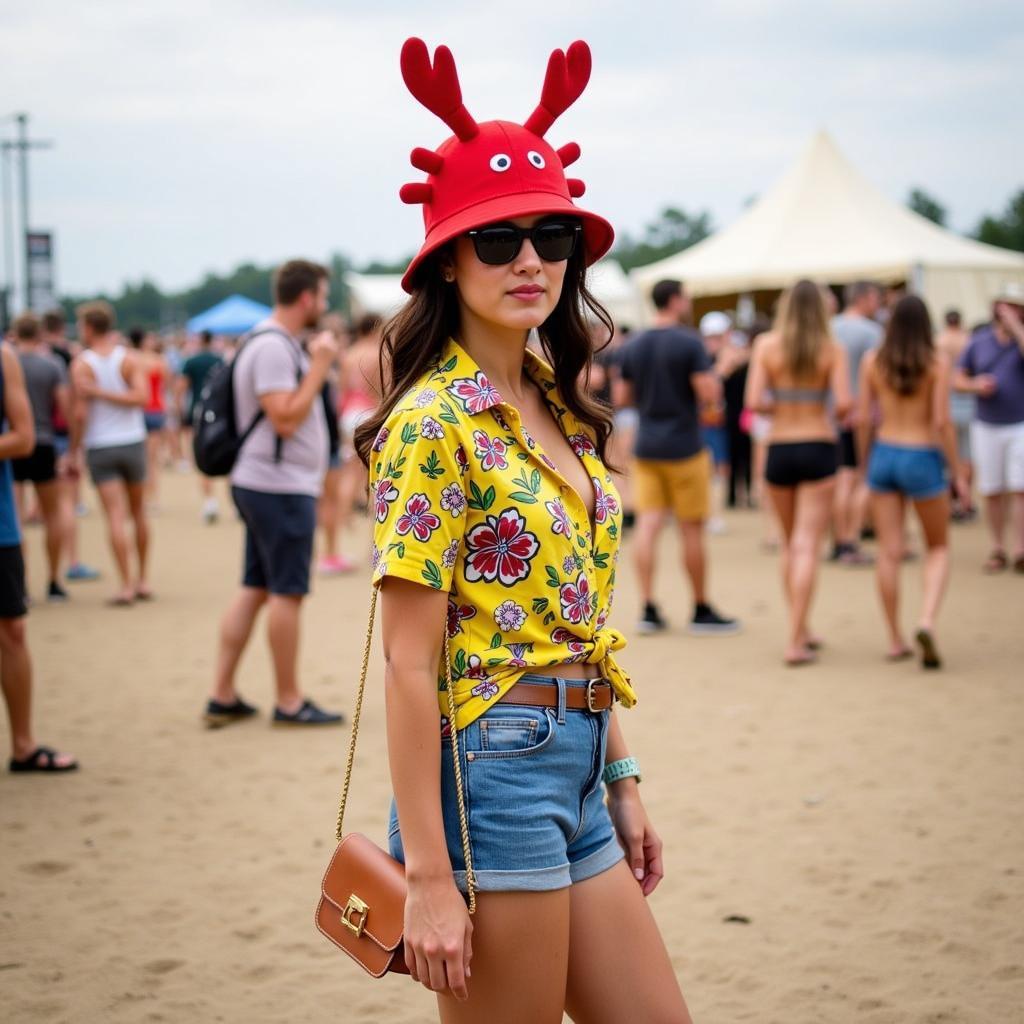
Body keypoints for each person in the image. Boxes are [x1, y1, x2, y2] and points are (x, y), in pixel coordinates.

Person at [359, 38, 695, 1022]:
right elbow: (407, 665)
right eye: (498, 239)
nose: (530, 260)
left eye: (552, 236)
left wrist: (622, 775)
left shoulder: (557, 401)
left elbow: (574, 616)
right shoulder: (433, 423)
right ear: (447, 258)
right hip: (490, 770)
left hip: (580, 758)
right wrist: (424, 871)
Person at [205, 259, 344, 728]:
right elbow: (285, 415)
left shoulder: (269, 341)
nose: (323, 306)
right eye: (321, 297)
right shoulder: (273, 346)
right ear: (306, 297)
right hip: (277, 486)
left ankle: (222, 693)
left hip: (268, 482)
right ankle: (288, 699)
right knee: (286, 591)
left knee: (257, 587)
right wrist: (320, 366)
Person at [618, 280, 740, 635]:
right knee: (691, 529)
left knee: (648, 526)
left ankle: (648, 607)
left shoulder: (635, 343)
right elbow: (708, 393)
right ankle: (701, 607)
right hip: (685, 446)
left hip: (648, 445)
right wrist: (723, 370)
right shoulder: (689, 342)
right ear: (674, 300)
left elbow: (623, 396)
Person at [745, 280, 851, 665]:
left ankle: (800, 628)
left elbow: (754, 401)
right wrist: (812, 405)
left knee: (791, 545)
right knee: (808, 545)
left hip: (780, 448)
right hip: (819, 444)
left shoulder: (766, 345)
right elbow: (844, 405)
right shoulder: (831, 348)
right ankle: (796, 637)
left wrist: (785, 406)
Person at [858, 296, 964, 669]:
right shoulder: (936, 362)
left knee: (889, 551)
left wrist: (862, 465)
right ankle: (927, 620)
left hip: (884, 454)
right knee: (937, 548)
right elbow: (942, 423)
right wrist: (957, 474)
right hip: (921, 455)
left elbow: (863, 418)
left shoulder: (872, 361)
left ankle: (893, 638)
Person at [0, 339, 77, 773]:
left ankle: (23, 745)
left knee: (12, 628)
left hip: (2, 523)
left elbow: (23, 435)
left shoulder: (5, 357)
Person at [70, 302, 152, 606]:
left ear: (89, 328)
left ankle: (127, 584)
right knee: (137, 512)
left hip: (101, 444)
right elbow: (141, 397)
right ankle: (143, 578)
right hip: (131, 441)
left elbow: (80, 414)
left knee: (116, 516)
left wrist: (74, 451)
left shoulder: (82, 364)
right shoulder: (128, 359)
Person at [953, 283, 1024, 572]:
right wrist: (974, 385)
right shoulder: (978, 342)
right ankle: (997, 547)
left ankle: (1020, 548)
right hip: (987, 424)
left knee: (1020, 488)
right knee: (992, 489)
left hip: (1019, 423)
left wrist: (1016, 329)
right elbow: (957, 379)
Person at [10, 313, 71, 601]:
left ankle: (21, 584)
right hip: (44, 441)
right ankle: (54, 579)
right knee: (53, 515)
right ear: (40, 334)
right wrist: (70, 445)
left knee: (16, 517)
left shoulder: (9, 364)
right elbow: (63, 406)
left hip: (11, 445)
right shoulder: (52, 364)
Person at [40, 310, 99, 583]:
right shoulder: (68, 358)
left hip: (20, 440)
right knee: (65, 505)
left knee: (15, 510)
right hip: (57, 436)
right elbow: (73, 406)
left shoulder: (17, 357)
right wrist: (76, 447)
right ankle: (70, 563)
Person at [830, 281, 882, 565]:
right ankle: (849, 539)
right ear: (864, 298)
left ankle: (839, 540)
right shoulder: (872, 333)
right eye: (875, 297)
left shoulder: (829, 327)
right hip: (859, 416)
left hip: (830, 416)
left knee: (840, 479)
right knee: (857, 477)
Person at [177, 329, 223, 523]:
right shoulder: (220, 360)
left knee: (202, 456)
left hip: (198, 411)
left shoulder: (191, 361)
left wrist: (179, 409)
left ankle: (209, 501)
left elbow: (181, 387)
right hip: (219, 411)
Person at [936, 309, 975, 520]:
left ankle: (950, 502)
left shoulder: (939, 341)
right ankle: (965, 500)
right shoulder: (969, 340)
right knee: (967, 455)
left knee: (947, 456)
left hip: (946, 401)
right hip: (968, 401)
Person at [129, 328, 171, 508]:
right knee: (151, 460)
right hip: (155, 409)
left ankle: (141, 497)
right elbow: (166, 384)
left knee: (139, 459)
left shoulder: (129, 359)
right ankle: (152, 497)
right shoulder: (159, 360)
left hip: (136, 410)